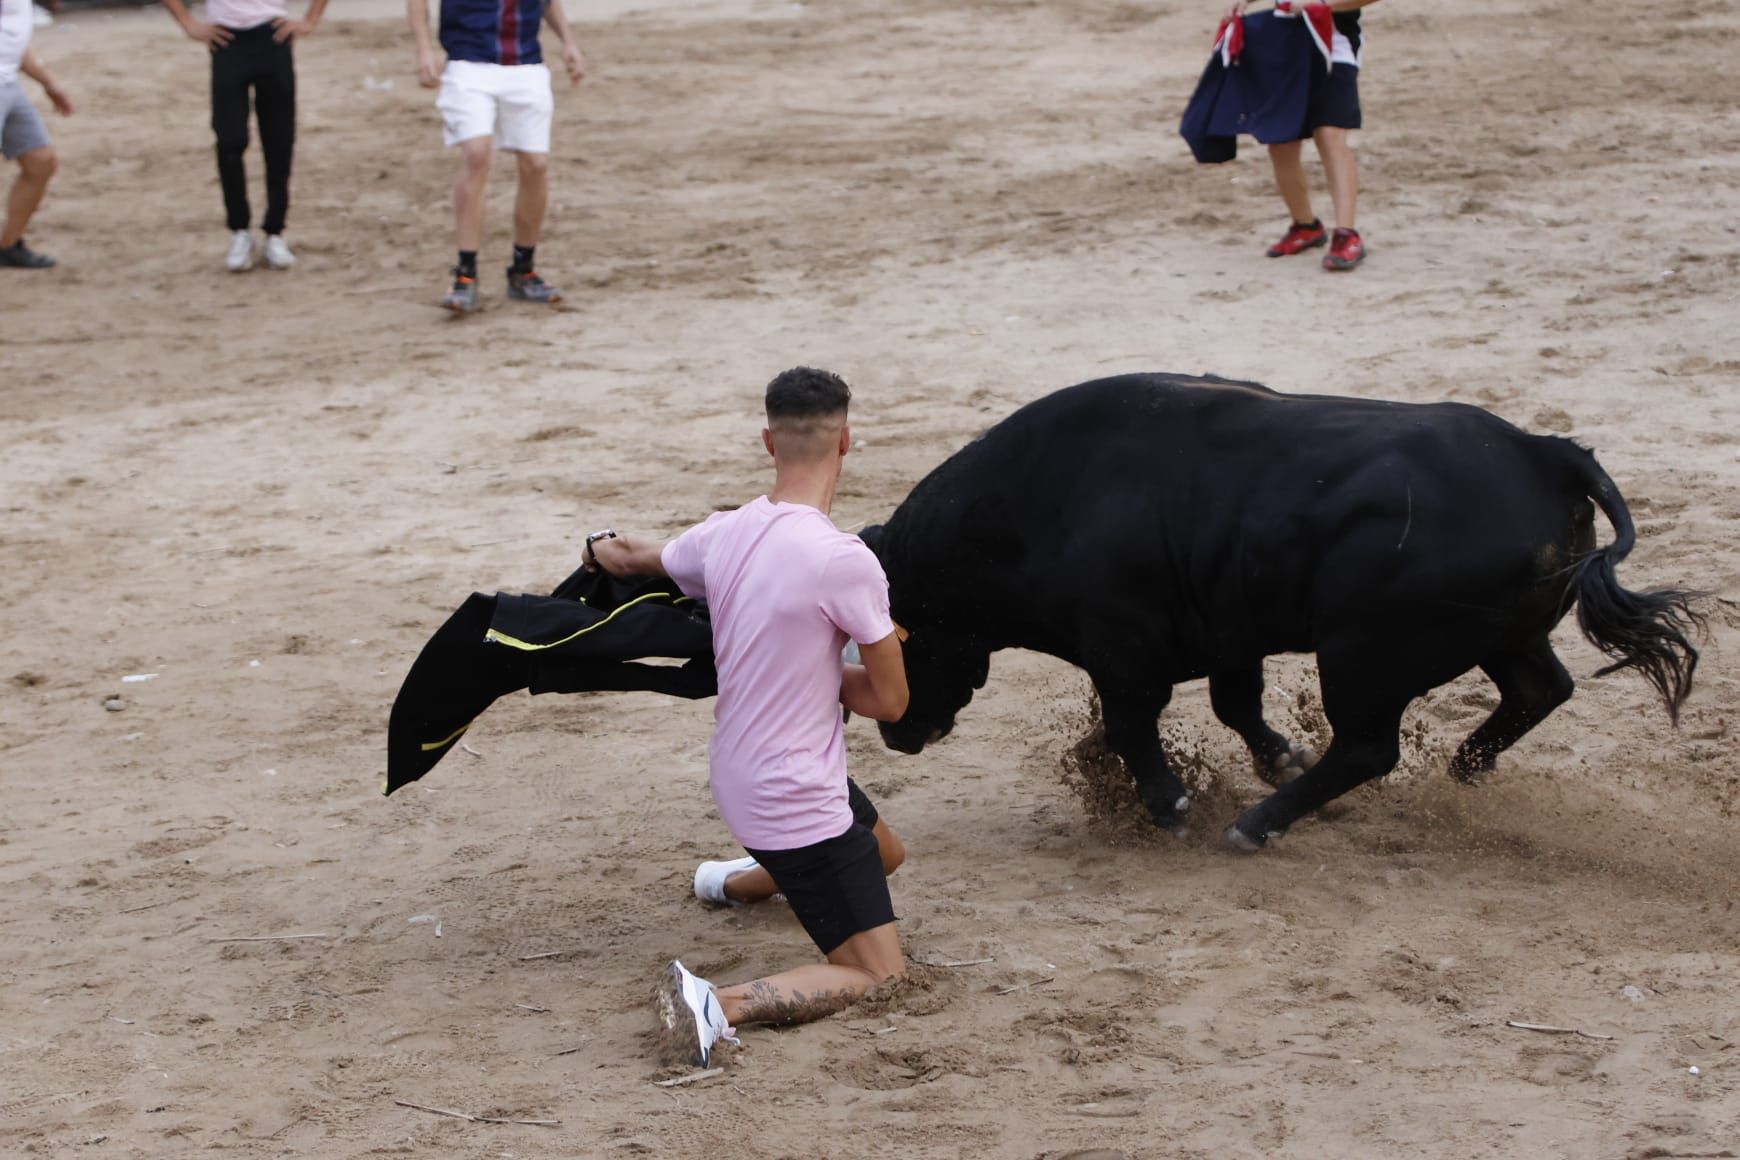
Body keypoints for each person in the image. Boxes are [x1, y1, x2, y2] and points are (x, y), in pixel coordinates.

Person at [588, 367, 912, 1070]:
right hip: (795, 795)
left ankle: (730, 883)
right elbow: (891, 703)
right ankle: (717, 1004)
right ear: (847, 441)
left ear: (769, 442)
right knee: (878, 974)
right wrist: (837, 667)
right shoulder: (844, 562)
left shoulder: (722, 535)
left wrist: (597, 546)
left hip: (741, 776)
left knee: (886, 853)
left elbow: (635, 557)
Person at [407, 0, 586, 314]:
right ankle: (465, 273)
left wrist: (568, 41)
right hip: (468, 62)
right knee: (476, 154)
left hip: (525, 64)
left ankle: (523, 269)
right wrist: (423, 49)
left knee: (536, 164)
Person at [161, 0, 327, 272]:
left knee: (279, 138)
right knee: (229, 139)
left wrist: (310, 19)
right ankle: (239, 230)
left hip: (272, 34)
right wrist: (187, 23)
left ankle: (275, 231)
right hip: (227, 39)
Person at [1230, 0, 1382, 271]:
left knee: (1329, 134)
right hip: (1286, 46)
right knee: (1281, 142)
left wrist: (1323, 5)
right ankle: (1305, 226)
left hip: (1334, 48)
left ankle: (1346, 232)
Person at [1, 0, 72, 269]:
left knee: (40, 161)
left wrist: (48, 82)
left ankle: (8, 245)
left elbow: (11, 40)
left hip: (8, 81)